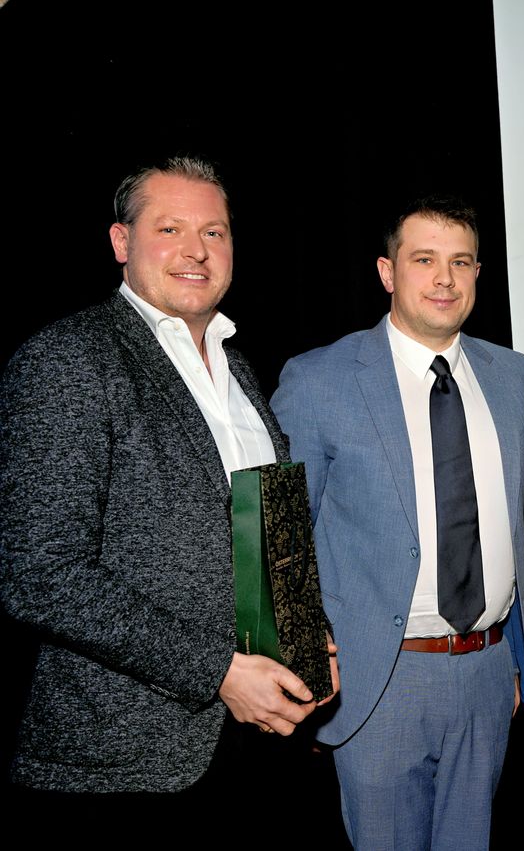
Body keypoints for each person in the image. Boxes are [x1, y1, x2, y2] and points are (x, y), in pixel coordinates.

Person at [0, 156, 331, 833]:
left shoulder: (239, 366)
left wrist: (306, 637)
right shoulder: (69, 358)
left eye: (214, 232)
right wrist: (218, 672)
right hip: (123, 764)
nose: (195, 250)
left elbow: (266, 521)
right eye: (170, 228)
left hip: (262, 743)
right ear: (122, 243)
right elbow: (43, 573)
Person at [271, 196, 524, 850]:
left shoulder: (513, 376)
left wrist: (513, 666)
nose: (445, 279)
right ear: (388, 271)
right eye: (425, 260)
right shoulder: (317, 379)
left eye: (461, 262)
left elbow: (516, 523)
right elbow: (280, 538)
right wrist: (308, 675)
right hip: (379, 680)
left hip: (485, 670)